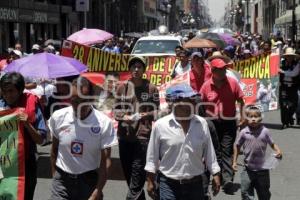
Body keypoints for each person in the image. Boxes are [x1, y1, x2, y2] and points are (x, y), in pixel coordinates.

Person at [145, 83, 221, 200]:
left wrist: (215, 173)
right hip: (168, 185)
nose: (189, 104)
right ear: (173, 103)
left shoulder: (201, 123)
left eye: (191, 100)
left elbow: (209, 152)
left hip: (196, 185)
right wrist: (150, 181)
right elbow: (152, 157)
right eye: (185, 101)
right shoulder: (161, 125)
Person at [49, 76, 118, 200]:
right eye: (75, 101)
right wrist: (55, 178)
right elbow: (54, 150)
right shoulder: (58, 117)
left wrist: (98, 190)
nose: (79, 105)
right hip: (62, 181)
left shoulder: (104, 123)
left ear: (92, 99)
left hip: (89, 182)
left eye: (83, 101)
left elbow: (106, 161)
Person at [114, 56, 160, 200]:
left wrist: (146, 115)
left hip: (143, 137)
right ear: (130, 69)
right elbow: (115, 110)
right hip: (124, 136)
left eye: (139, 67)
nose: (136, 69)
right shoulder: (122, 87)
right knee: (129, 175)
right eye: (133, 67)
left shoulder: (151, 88)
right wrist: (123, 117)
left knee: (138, 172)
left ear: (143, 70)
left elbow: (158, 111)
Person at [200, 58, 245, 194]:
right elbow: (200, 105)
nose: (223, 72)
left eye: (224, 69)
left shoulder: (232, 83)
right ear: (213, 71)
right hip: (211, 123)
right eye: (220, 69)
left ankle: (227, 179)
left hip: (229, 122)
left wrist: (242, 118)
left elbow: (241, 101)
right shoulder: (206, 86)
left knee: (227, 149)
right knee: (213, 150)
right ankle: (215, 176)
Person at [0, 72, 47, 200]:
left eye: (11, 91)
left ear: (20, 90)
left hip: (25, 166)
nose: (7, 95)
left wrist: (27, 125)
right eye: (4, 91)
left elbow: (41, 140)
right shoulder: (0, 106)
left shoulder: (32, 104)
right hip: (2, 165)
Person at [232, 105, 283, 200]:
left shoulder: (265, 131)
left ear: (260, 118)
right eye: (250, 117)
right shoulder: (243, 132)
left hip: (262, 170)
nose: (253, 119)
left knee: (264, 194)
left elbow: (272, 143)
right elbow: (237, 146)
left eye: (256, 116)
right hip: (247, 169)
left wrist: (278, 150)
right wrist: (234, 161)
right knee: (246, 192)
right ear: (246, 118)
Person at [278, 47, 300, 128]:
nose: (289, 57)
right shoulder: (281, 63)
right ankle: (284, 122)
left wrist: (282, 71)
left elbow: (294, 73)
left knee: (293, 104)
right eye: (288, 56)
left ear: (293, 56)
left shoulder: (297, 64)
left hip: (293, 87)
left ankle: (289, 117)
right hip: (283, 86)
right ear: (285, 56)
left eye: (291, 56)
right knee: (283, 105)